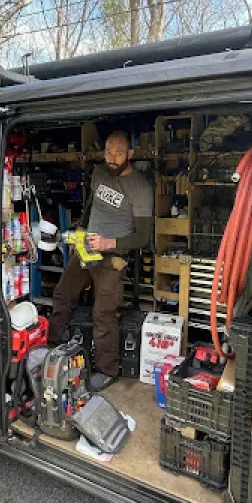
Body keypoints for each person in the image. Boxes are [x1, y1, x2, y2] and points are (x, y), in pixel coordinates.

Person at [48, 131, 154, 391]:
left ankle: (108, 370)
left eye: (119, 153)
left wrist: (108, 243)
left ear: (130, 153)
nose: (112, 158)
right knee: (63, 294)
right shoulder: (99, 173)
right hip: (86, 249)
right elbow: (90, 205)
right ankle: (51, 349)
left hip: (112, 257)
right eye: (108, 152)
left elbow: (143, 237)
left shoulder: (140, 188)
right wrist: (81, 229)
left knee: (103, 313)